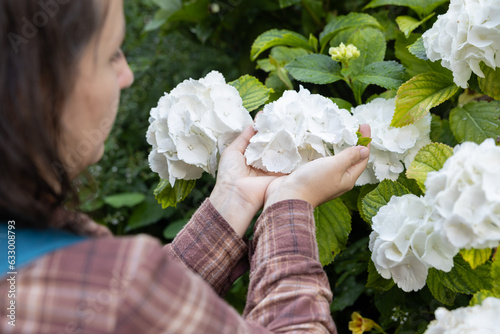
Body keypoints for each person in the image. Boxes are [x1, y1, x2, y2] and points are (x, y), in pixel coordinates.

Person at [0, 0, 371, 333]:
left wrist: (233, 199)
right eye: (112, 53)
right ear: (39, 85)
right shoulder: (112, 292)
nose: (126, 74)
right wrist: (291, 204)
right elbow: (127, 305)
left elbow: (139, 315)